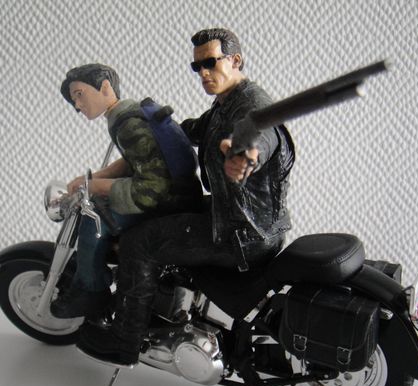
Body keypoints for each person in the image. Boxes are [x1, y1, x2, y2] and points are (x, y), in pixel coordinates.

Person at [76, 29, 295, 366]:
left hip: (242, 234)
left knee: (138, 243)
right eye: (197, 67)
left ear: (235, 60)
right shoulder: (226, 103)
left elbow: (258, 136)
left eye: (210, 63)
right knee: (163, 218)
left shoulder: (253, 107)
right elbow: (191, 131)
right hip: (238, 218)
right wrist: (148, 126)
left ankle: (125, 340)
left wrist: (245, 156)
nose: (203, 73)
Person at [50, 63, 202, 322]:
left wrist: (95, 187)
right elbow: (137, 159)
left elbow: (153, 187)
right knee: (98, 204)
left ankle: (92, 290)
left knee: (93, 220)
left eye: (79, 94)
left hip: (172, 201)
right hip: (178, 193)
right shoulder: (129, 114)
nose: (77, 105)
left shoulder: (128, 123)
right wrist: (93, 179)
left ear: (105, 87)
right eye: (73, 100)